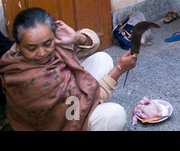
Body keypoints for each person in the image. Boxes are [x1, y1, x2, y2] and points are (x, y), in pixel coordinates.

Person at [0, 7, 138, 130]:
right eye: (32, 48)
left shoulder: (42, 47)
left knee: (102, 58)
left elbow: (93, 43)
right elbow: (78, 106)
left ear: (53, 36)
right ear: (18, 45)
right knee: (114, 115)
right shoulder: (29, 80)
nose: (42, 53)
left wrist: (76, 37)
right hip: (61, 120)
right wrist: (119, 69)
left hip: (70, 101)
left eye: (47, 43)